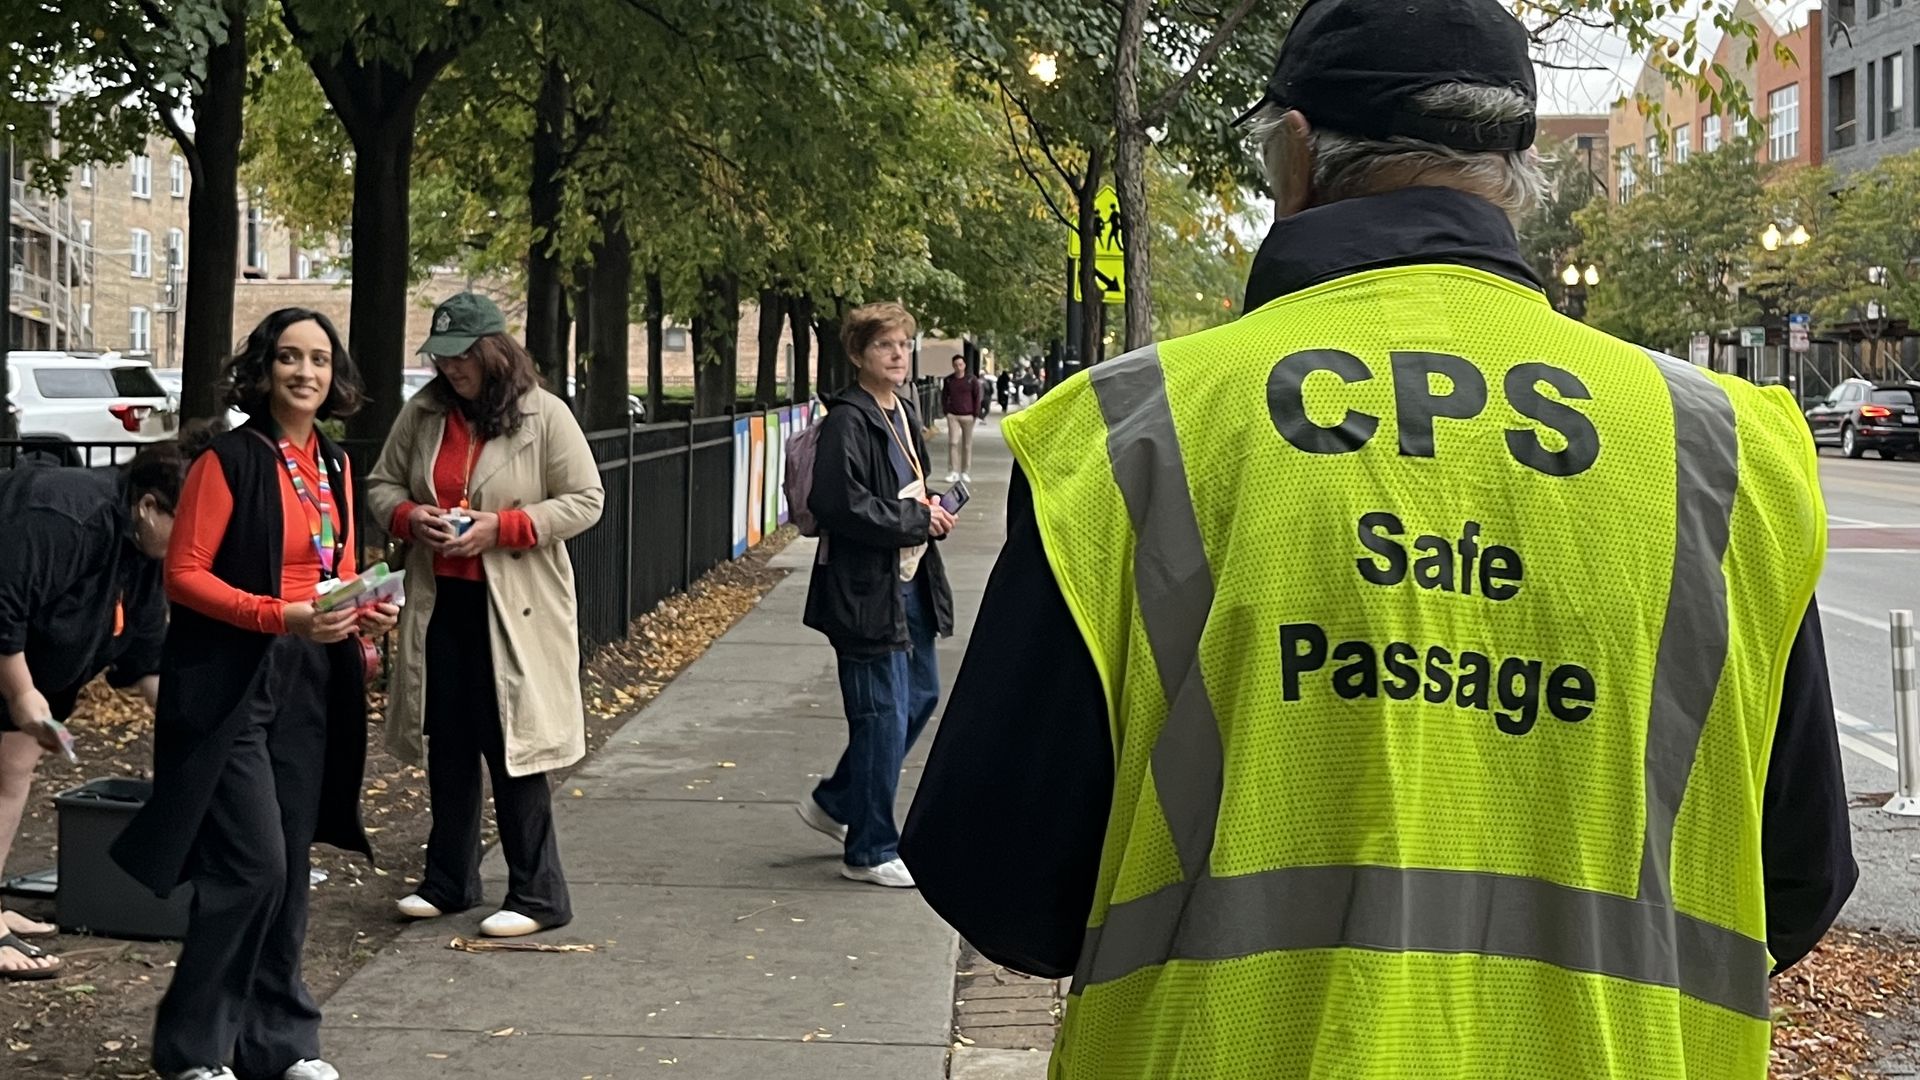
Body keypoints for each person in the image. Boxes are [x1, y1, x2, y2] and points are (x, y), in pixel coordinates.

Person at [901, 2, 1854, 1077]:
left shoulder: (1136, 436)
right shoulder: (1720, 456)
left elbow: (1000, 884)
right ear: (1512, 171)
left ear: (1297, 155)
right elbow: (1798, 883)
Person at [113, 308, 396, 1080]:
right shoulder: (228, 460)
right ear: (264, 368)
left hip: (311, 673)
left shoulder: (335, 464)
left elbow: (330, 566)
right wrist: (282, 615)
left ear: (336, 376)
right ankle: (192, 1049)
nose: (306, 373)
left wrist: (363, 610)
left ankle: (282, 1044)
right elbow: (184, 576)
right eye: (289, 358)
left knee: (291, 864)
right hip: (230, 681)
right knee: (252, 866)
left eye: (320, 360)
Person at [368, 293, 605, 938]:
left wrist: (503, 527)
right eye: (441, 359)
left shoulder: (543, 415)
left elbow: (587, 500)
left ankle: (539, 893)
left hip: (514, 607)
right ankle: (449, 880)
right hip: (441, 603)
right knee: (448, 742)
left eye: (462, 357)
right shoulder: (422, 414)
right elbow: (381, 486)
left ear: (494, 352)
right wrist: (411, 516)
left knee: (514, 747)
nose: (450, 370)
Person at [0, 437, 198, 980]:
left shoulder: (144, 554)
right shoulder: (64, 514)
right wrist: (21, 694)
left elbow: (143, 659)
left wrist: (191, 734)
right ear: (150, 507)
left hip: (35, 662)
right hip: (10, 654)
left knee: (11, 770)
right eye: (188, 523)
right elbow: (3, 603)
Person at [797, 301, 956, 888]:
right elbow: (842, 505)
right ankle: (868, 849)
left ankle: (839, 801)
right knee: (881, 714)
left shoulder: (903, 412)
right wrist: (916, 520)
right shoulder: (849, 419)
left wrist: (932, 507)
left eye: (904, 344)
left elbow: (904, 487)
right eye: (884, 345)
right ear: (859, 354)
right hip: (864, 589)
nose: (898, 354)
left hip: (909, 583)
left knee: (918, 697)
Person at [940, 354, 981, 482]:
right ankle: (953, 471)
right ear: (953, 366)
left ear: (964, 365)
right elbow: (943, 396)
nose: (958, 367)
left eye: (961, 365)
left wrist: (976, 414)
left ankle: (965, 471)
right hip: (953, 415)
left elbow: (977, 397)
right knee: (953, 442)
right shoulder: (949, 380)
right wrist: (946, 411)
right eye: (956, 365)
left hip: (968, 415)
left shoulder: (971, 380)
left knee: (967, 445)